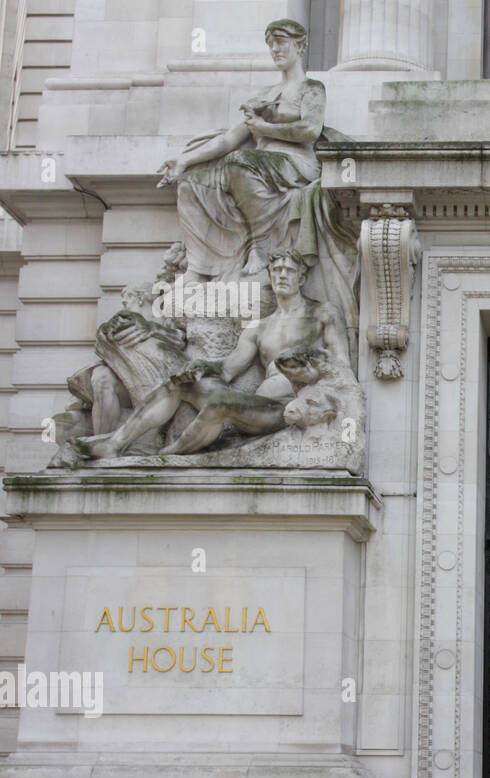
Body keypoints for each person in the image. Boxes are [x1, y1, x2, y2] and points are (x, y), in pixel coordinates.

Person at [73, 249, 349, 459]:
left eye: (289, 271)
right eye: (276, 270)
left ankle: (167, 457)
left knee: (220, 403)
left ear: (301, 277)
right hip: (257, 403)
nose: (282, 276)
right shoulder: (260, 325)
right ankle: (115, 443)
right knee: (182, 382)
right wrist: (200, 366)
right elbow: (228, 369)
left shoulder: (321, 313)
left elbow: (340, 365)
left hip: (288, 406)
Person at [156, 19, 325, 281]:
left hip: (295, 163)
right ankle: (200, 266)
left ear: (300, 45)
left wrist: (264, 127)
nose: (275, 50)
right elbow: (229, 139)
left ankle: (260, 244)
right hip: (259, 163)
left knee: (239, 162)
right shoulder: (265, 93)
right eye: (271, 44)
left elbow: (311, 130)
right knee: (192, 184)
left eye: (281, 42)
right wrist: (184, 160)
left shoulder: (311, 89)